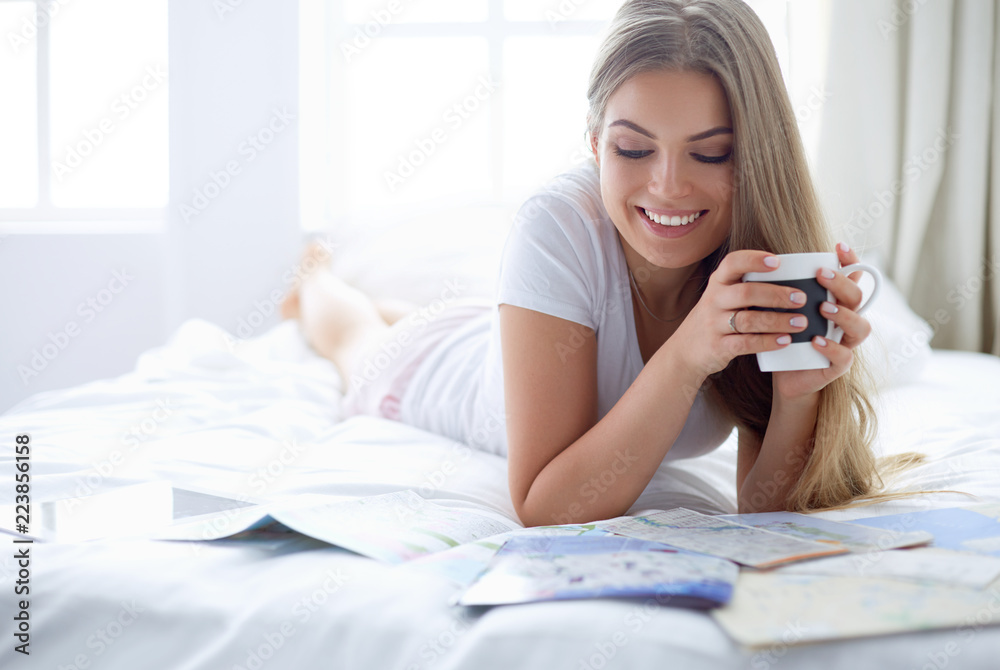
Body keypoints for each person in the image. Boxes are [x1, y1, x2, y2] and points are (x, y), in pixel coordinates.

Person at [282, 0, 912, 527]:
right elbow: (543, 507)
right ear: (594, 144)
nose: (668, 187)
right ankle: (315, 279)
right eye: (633, 149)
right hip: (438, 369)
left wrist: (798, 397)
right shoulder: (556, 224)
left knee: (444, 320)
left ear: (757, 159)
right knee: (358, 341)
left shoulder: (765, 258)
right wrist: (688, 354)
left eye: (711, 154)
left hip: (517, 332)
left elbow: (765, 512)